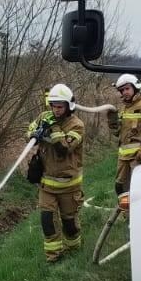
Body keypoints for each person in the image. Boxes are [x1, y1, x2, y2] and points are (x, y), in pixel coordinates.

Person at [26, 83, 85, 263]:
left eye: (60, 106)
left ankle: (74, 250)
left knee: (69, 224)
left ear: (68, 106)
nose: (56, 110)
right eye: (53, 106)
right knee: (47, 221)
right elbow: (28, 133)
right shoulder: (45, 116)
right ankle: (53, 256)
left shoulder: (77, 125)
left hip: (69, 185)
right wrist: (36, 132)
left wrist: (53, 129)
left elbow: (64, 148)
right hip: (47, 184)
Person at [107, 73, 141, 204]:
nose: (124, 92)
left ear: (136, 87)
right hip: (123, 158)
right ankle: (127, 216)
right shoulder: (125, 107)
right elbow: (118, 133)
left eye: (127, 88)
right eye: (122, 90)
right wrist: (112, 120)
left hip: (139, 157)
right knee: (120, 187)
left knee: (140, 190)